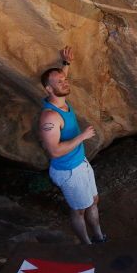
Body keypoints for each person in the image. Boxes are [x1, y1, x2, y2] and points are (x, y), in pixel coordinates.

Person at [39, 46, 106, 245]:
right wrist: (82, 137)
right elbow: (54, 151)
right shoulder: (50, 116)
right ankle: (87, 245)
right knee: (79, 211)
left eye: (65, 80)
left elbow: (61, 80)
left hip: (80, 162)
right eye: (59, 82)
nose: (65, 83)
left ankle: (99, 237)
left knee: (93, 201)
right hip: (68, 170)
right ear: (48, 90)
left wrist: (66, 64)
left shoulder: (61, 99)